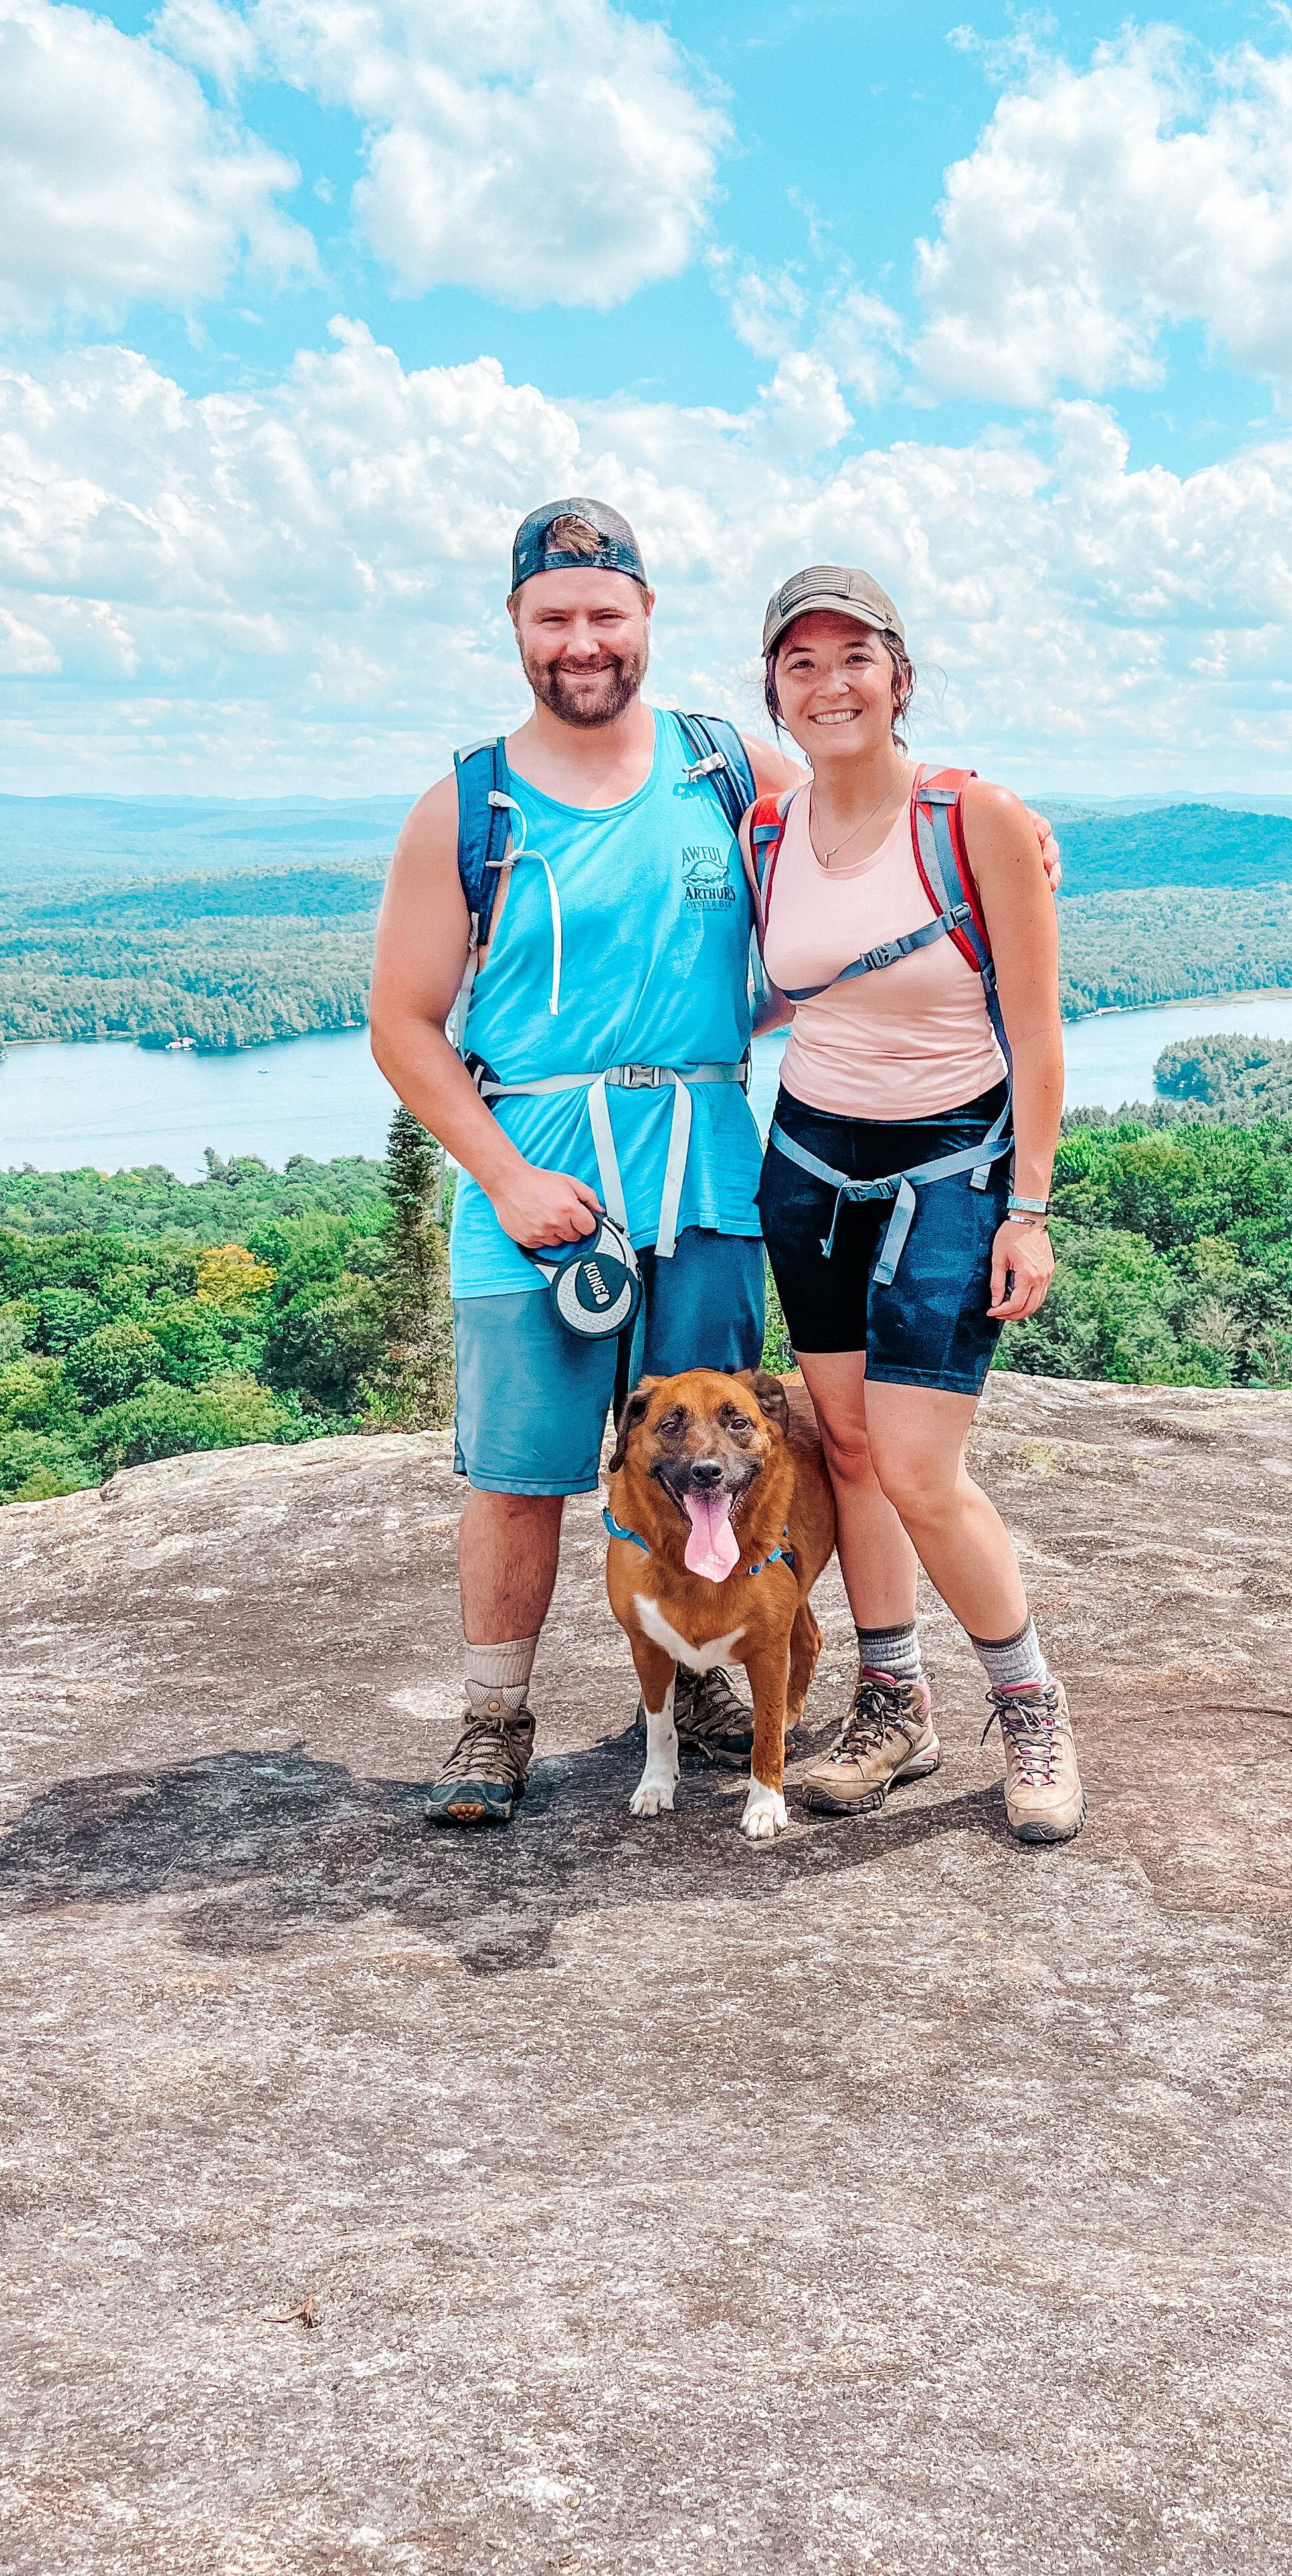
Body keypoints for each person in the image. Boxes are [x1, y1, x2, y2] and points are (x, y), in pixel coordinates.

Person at [368, 504, 1063, 1829]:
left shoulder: (724, 767)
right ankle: (493, 1720)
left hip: (706, 1173)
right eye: (554, 618)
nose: (582, 641)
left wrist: (1013, 845)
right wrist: (508, 1181)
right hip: (536, 1170)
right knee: (520, 1476)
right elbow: (403, 1024)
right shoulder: (468, 805)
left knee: (718, 1454)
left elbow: (879, 821)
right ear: (517, 628)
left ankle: (702, 1687)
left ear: (645, 621)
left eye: (605, 614)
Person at [742, 564, 1082, 1843]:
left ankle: (1029, 1700)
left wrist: (1030, 1209)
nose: (829, 685)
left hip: (952, 1167)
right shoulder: (769, 830)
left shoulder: (975, 819)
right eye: (801, 664)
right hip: (812, 1163)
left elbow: (1041, 1036)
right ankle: (895, 1702)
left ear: (901, 679)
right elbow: (788, 983)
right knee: (847, 1446)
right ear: (775, 691)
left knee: (921, 1467)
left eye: (854, 660)